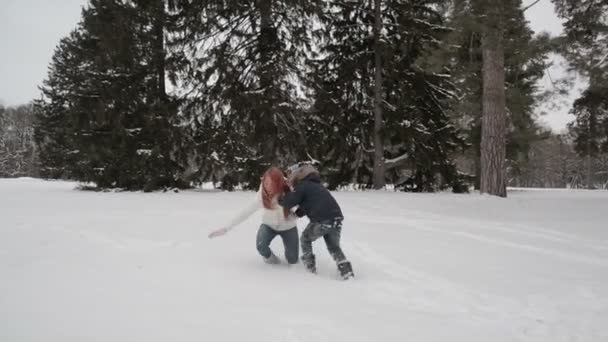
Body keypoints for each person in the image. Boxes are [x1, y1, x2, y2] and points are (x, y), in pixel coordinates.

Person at [208, 167, 299, 265]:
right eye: (266, 182)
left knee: (292, 259)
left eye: (271, 183)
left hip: (288, 227)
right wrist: (226, 228)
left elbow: (303, 207)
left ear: (278, 183)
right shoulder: (261, 196)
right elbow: (246, 211)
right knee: (261, 247)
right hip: (269, 225)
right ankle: (273, 264)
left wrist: (298, 213)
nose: (268, 186)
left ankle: (291, 259)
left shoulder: (291, 191)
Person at [279, 163, 354, 279]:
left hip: (322, 220)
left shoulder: (303, 185)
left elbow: (290, 201)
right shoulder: (317, 186)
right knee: (334, 247)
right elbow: (310, 203)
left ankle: (310, 269)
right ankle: (346, 271)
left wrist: (281, 199)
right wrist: (298, 213)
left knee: (305, 239)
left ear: (298, 175)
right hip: (336, 219)